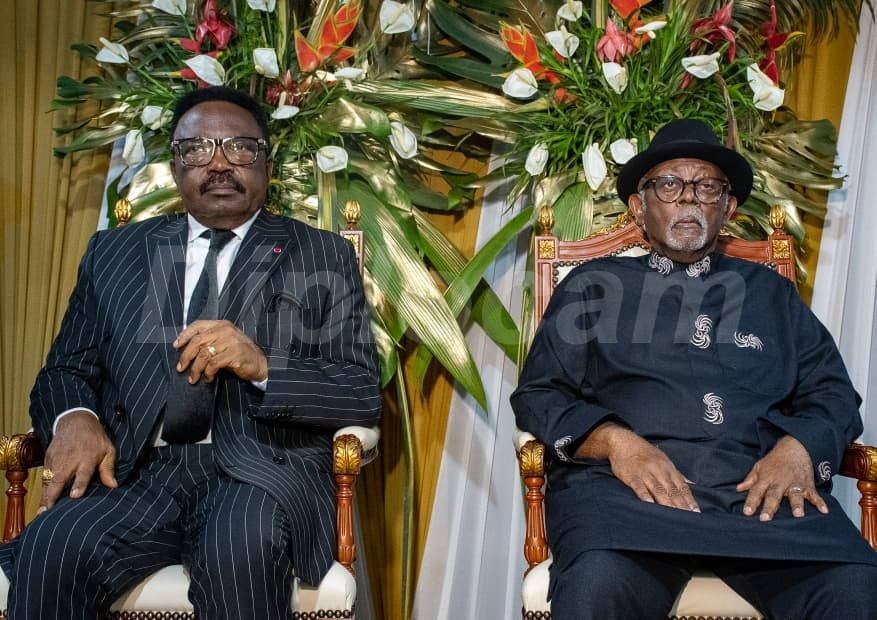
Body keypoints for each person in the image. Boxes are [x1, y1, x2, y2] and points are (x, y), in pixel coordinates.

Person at [0, 86, 381, 619]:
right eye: (198, 148)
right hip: (132, 472)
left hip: (254, 474)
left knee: (240, 551)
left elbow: (360, 390)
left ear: (267, 164)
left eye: (239, 147)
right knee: (51, 549)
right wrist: (75, 417)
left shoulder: (320, 253)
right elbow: (65, 369)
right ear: (176, 166)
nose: (219, 163)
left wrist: (263, 365)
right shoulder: (115, 252)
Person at [511, 118, 877, 619]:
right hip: (628, 502)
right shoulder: (592, 286)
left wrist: (798, 449)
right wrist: (616, 443)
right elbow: (540, 394)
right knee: (597, 584)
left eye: (706, 187)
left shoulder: (771, 294)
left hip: (760, 502)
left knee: (856, 586)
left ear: (728, 208)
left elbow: (833, 393)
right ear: (638, 207)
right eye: (669, 184)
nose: (688, 198)